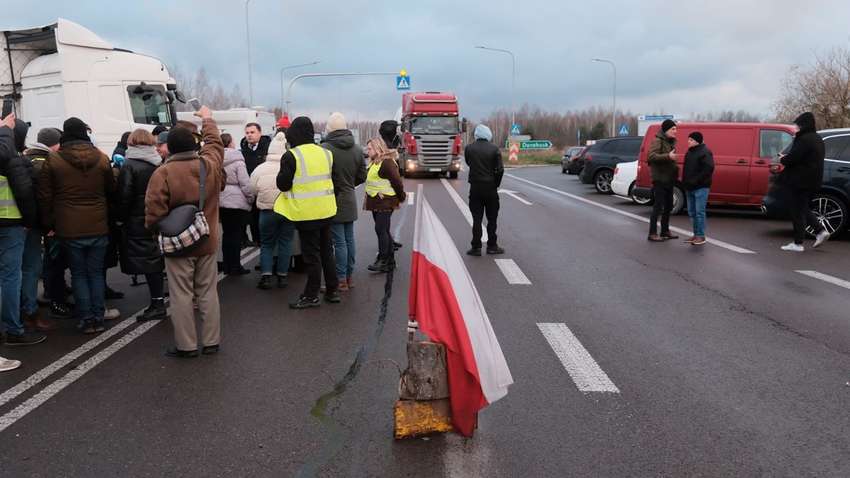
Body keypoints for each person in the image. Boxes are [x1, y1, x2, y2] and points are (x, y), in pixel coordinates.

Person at [146, 105, 225, 358]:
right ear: (193, 145)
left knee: (181, 295)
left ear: (170, 148)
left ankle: (187, 345)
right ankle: (212, 341)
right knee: (208, 291)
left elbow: (153, 212)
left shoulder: (163, 173)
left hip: (178, 244)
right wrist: (208, 119)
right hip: (207, 238)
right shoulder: (209, 165)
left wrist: (158, 232)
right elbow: (214, 144)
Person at [39, 117, 116, 334]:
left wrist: (50, 224)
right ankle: (99, 316)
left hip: (68, 226)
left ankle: (86, 319)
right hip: (98, 224)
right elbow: (111, 190)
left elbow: (45, 196)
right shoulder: (101, 159)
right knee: (95, 273)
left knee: (79, 273)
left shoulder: (53, 160)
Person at [275, 116, 340, 309]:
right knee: (327, 251)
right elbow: (334, 181)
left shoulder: (291, 155)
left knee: (312, 256)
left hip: (306, 213)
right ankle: (332, 290)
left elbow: (283, 184)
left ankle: (311, 295)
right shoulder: (326, 153)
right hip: (327, 209)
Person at [0, 113, 44, 345]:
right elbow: (26, 195)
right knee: (10, 277)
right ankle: (14, 329)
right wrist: (30, 221)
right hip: (10, 224)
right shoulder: (12, 160)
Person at [117, 129, 167, 321]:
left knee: (148, 261)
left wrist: (120, 218)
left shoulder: (129, 165)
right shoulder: (159, 163)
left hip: (137, 220)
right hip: (159, 216)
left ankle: (157, 303)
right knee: (156, 258)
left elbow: (124, 196)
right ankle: (159, 299)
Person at [21, 127, 64, 332]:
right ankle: (29, 311)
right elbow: (43, 197)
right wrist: (48, 224)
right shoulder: (42, 162)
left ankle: (26, 308)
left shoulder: (27, 157)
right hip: (32, 224)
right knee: (31, 268)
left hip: (19, 223)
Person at [322, 113, 366, 291]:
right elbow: (362, 175)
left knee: (338, 242)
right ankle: (348, 276)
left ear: (329, 128)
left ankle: (340, 280)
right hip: (349, 197)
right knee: (349, 239)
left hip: (332, 198)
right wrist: (349, 185)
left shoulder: (325, 148)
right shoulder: (356, 149)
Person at [778, 112, 829, 252]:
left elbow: (793, 158)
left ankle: (798, 243)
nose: (796, 127)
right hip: (813, 180)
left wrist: (782, 158)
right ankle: (820, 231)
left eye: (798, 125)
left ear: (803, 124)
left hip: (799, 180)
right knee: (802, 207)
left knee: (797, 211)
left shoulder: (804, 139)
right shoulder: (818, 139)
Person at [251, 130, 294, 290]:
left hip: (267, 211)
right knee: (285, 242)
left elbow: (253, 189)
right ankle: (282, 276)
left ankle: (266, 276)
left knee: (267, 244)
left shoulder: (260, 169)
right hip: (287, 211)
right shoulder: (291, 166)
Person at [363, 138, 406, 273]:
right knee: (384, 230)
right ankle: (389, 261)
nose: (367, 151)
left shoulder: (387, 163)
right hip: (377, 201)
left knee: (381, 229)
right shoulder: (375, 162)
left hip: (386, 201)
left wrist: (401, 196)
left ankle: (383, 260)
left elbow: (397, 182)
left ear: (378, 148)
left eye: (370, 148)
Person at [464, 124, 505, 256]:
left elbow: (468, 162)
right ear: (488, 135)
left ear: (476, 134)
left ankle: (476, 247)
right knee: (492, 219)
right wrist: (496, 184)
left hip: (475, 188)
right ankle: (492, 246)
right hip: (490, 188)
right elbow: (500, 169)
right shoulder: (494, 149)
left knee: (476, 218)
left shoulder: (469, 148)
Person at [220, 133, 254, 275]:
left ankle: (226, 265)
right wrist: (251, 197)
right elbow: (245, 183)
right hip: (236, 202)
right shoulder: (238, 160)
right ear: (230, 143)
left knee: (226, 234)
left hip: (221, 200)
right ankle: (235, 266)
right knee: (236, 235)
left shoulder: (216, 159)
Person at [647, 119, 680, 242]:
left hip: (669, 178)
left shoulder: (670, 142)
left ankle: (665, 231)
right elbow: (651, 156)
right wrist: (668, 156)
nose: (675, 131)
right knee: (658, 206)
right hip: (660, 179)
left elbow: (670, 160)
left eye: (675, 129)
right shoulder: (658, 140)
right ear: (666, 130)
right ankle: (652, 233)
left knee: (668, 206)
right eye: (673, 129)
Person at [681, 132, 715, 246]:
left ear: (697, 141)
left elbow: (709, 169)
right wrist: (684, 182)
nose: (688, 141)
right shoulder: (689, 153)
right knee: (692, 212)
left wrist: (696, 180)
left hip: (701, 187)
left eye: (690, 140)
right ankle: (695, 234)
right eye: (688, 139)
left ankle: (701, 236)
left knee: (699, 212)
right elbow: (686, 169)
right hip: (689, 187)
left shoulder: (705, 152)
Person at [241, 123, 271, 244]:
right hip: (249, 189)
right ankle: (256, 240)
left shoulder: (267, 149)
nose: (249, 135)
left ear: (259, 133)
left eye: (252, 132)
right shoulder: (243, 150)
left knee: (263, 219)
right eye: (247, 133)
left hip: (264, 188)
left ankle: (264, 242)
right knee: (252, 218)